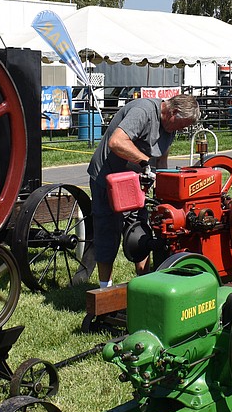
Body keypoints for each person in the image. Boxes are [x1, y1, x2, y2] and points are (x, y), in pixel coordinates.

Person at [85, 94, 200, 288]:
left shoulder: (169, 128)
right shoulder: (143, 111)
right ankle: (105, 288)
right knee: (108, 234)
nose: (182, 130)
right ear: (172, 112)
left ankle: (144, 283)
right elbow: (117, 142)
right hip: (108, 179)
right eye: (182, 125)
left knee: (140, 231)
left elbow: (162, 161)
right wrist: (144, 162)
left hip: (135, 182)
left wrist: (163, 193)